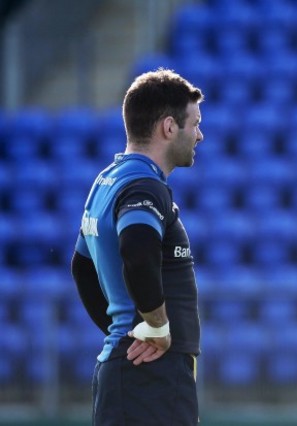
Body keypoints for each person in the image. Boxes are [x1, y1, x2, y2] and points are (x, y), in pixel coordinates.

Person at [70, 68, 204, 425]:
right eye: (195, 123)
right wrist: (156, 328)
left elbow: (82, 268)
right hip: (150, 379)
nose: (200, 135)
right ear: (168, 127)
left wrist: (126, 336)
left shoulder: (107, 182)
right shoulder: (144, 186)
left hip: (132, 376)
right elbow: (138, 250)